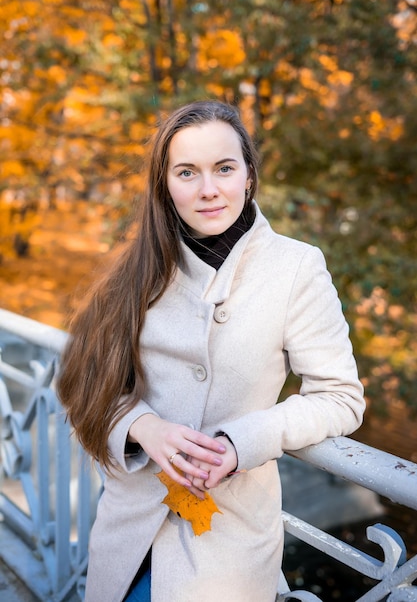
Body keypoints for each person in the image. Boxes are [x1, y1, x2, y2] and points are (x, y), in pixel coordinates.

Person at [57, 100, 365, 602]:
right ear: (165, 183)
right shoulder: (135, 268)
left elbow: (341, 397)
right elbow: (82, 386)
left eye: (224, 168)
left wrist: (245, 440)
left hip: (227, 543)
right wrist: (141, 426)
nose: (208, 189)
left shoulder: (297, 267)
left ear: (248, 175)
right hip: (129, 528)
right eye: (186, 172)